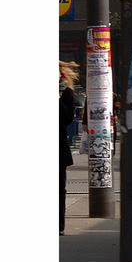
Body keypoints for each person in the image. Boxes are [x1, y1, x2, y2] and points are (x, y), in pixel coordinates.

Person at [59, 62, 80, 233]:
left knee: (59, 187)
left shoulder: (67, 94)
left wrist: (57, 100)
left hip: (59, 146)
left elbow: (67, 119)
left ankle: (59, 225)